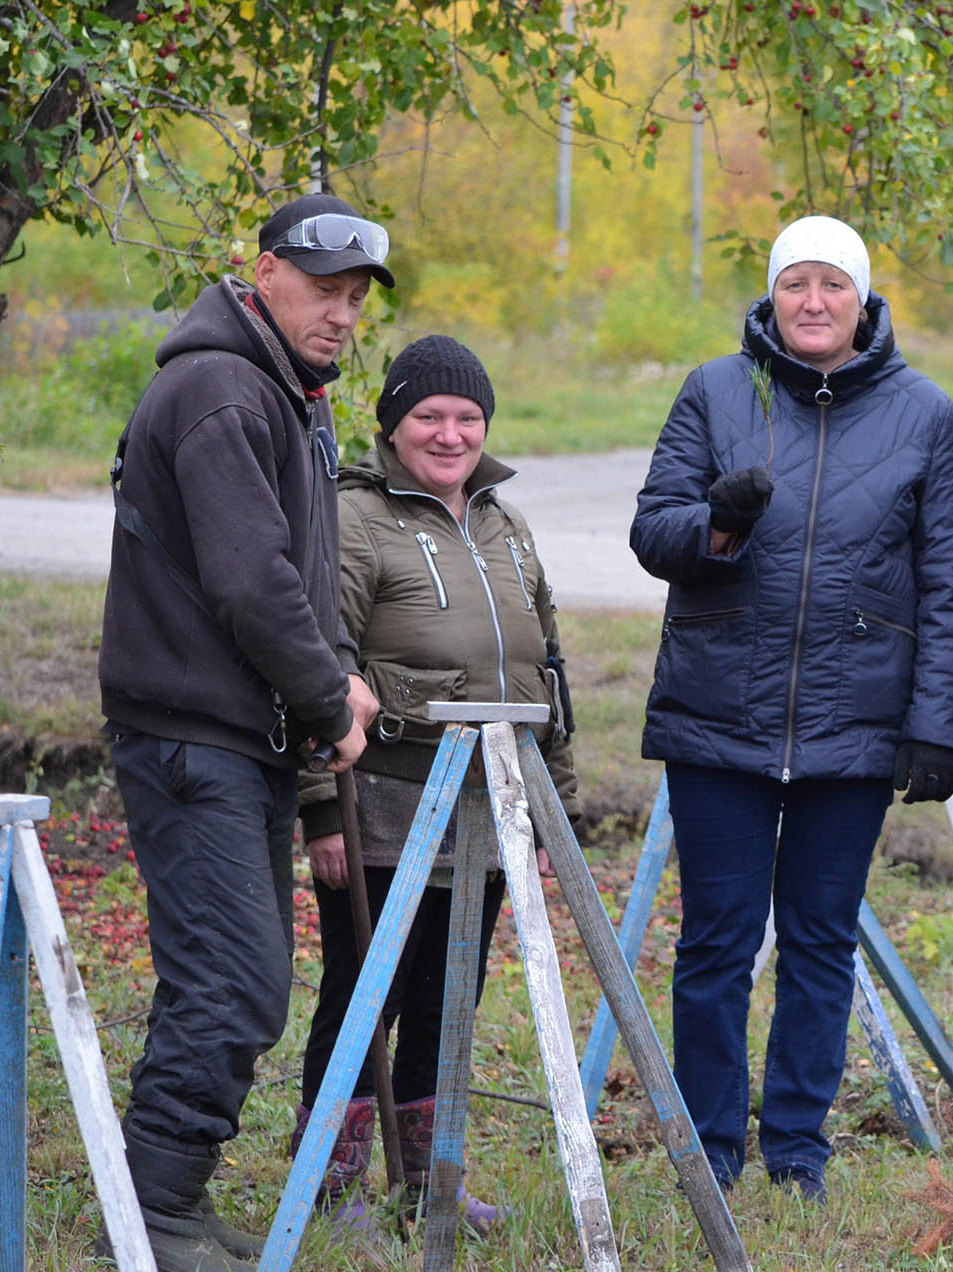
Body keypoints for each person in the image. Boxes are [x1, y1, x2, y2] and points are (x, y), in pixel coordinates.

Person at [630, 214, 953, 1200]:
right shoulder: (713, 391)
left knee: (821, 941)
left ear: (863, 299)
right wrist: (721, 525)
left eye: (833, 284)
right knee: (715, 943)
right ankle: (708, 1147)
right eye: (796, 285)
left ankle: (795, 1149)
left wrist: (938, 722)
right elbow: (655, 531)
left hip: (855, 724)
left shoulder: (921, 414)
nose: (814, 302)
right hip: (718, 720)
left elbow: (952, 581)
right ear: (771, 297)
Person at [97, 191, 390, 1271]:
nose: (342, 313)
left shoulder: (284, 391)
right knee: (234, 980)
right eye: (323, 288)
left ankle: (164, 1199)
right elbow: (249, 581)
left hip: (237, 732)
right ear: (261, 271)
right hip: (191, 734)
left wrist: (331, 682)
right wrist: (327, 698)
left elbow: (290, 580)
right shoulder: (224, 387)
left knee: (233, 977)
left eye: (356, 296)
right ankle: (157, 1214)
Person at [291, 335, 591, 1236]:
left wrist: (553, 813)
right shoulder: (354, 515)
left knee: (447, 996)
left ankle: (429, 1183)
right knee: (364, 995)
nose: (451, 434)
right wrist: (317, 808)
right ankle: (332, 1192)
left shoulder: (504, 521)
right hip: (380, 796)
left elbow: (550, 671)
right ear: (393, 422)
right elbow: (318, 661)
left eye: (468, 418)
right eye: (430, 416)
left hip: (491, 798)